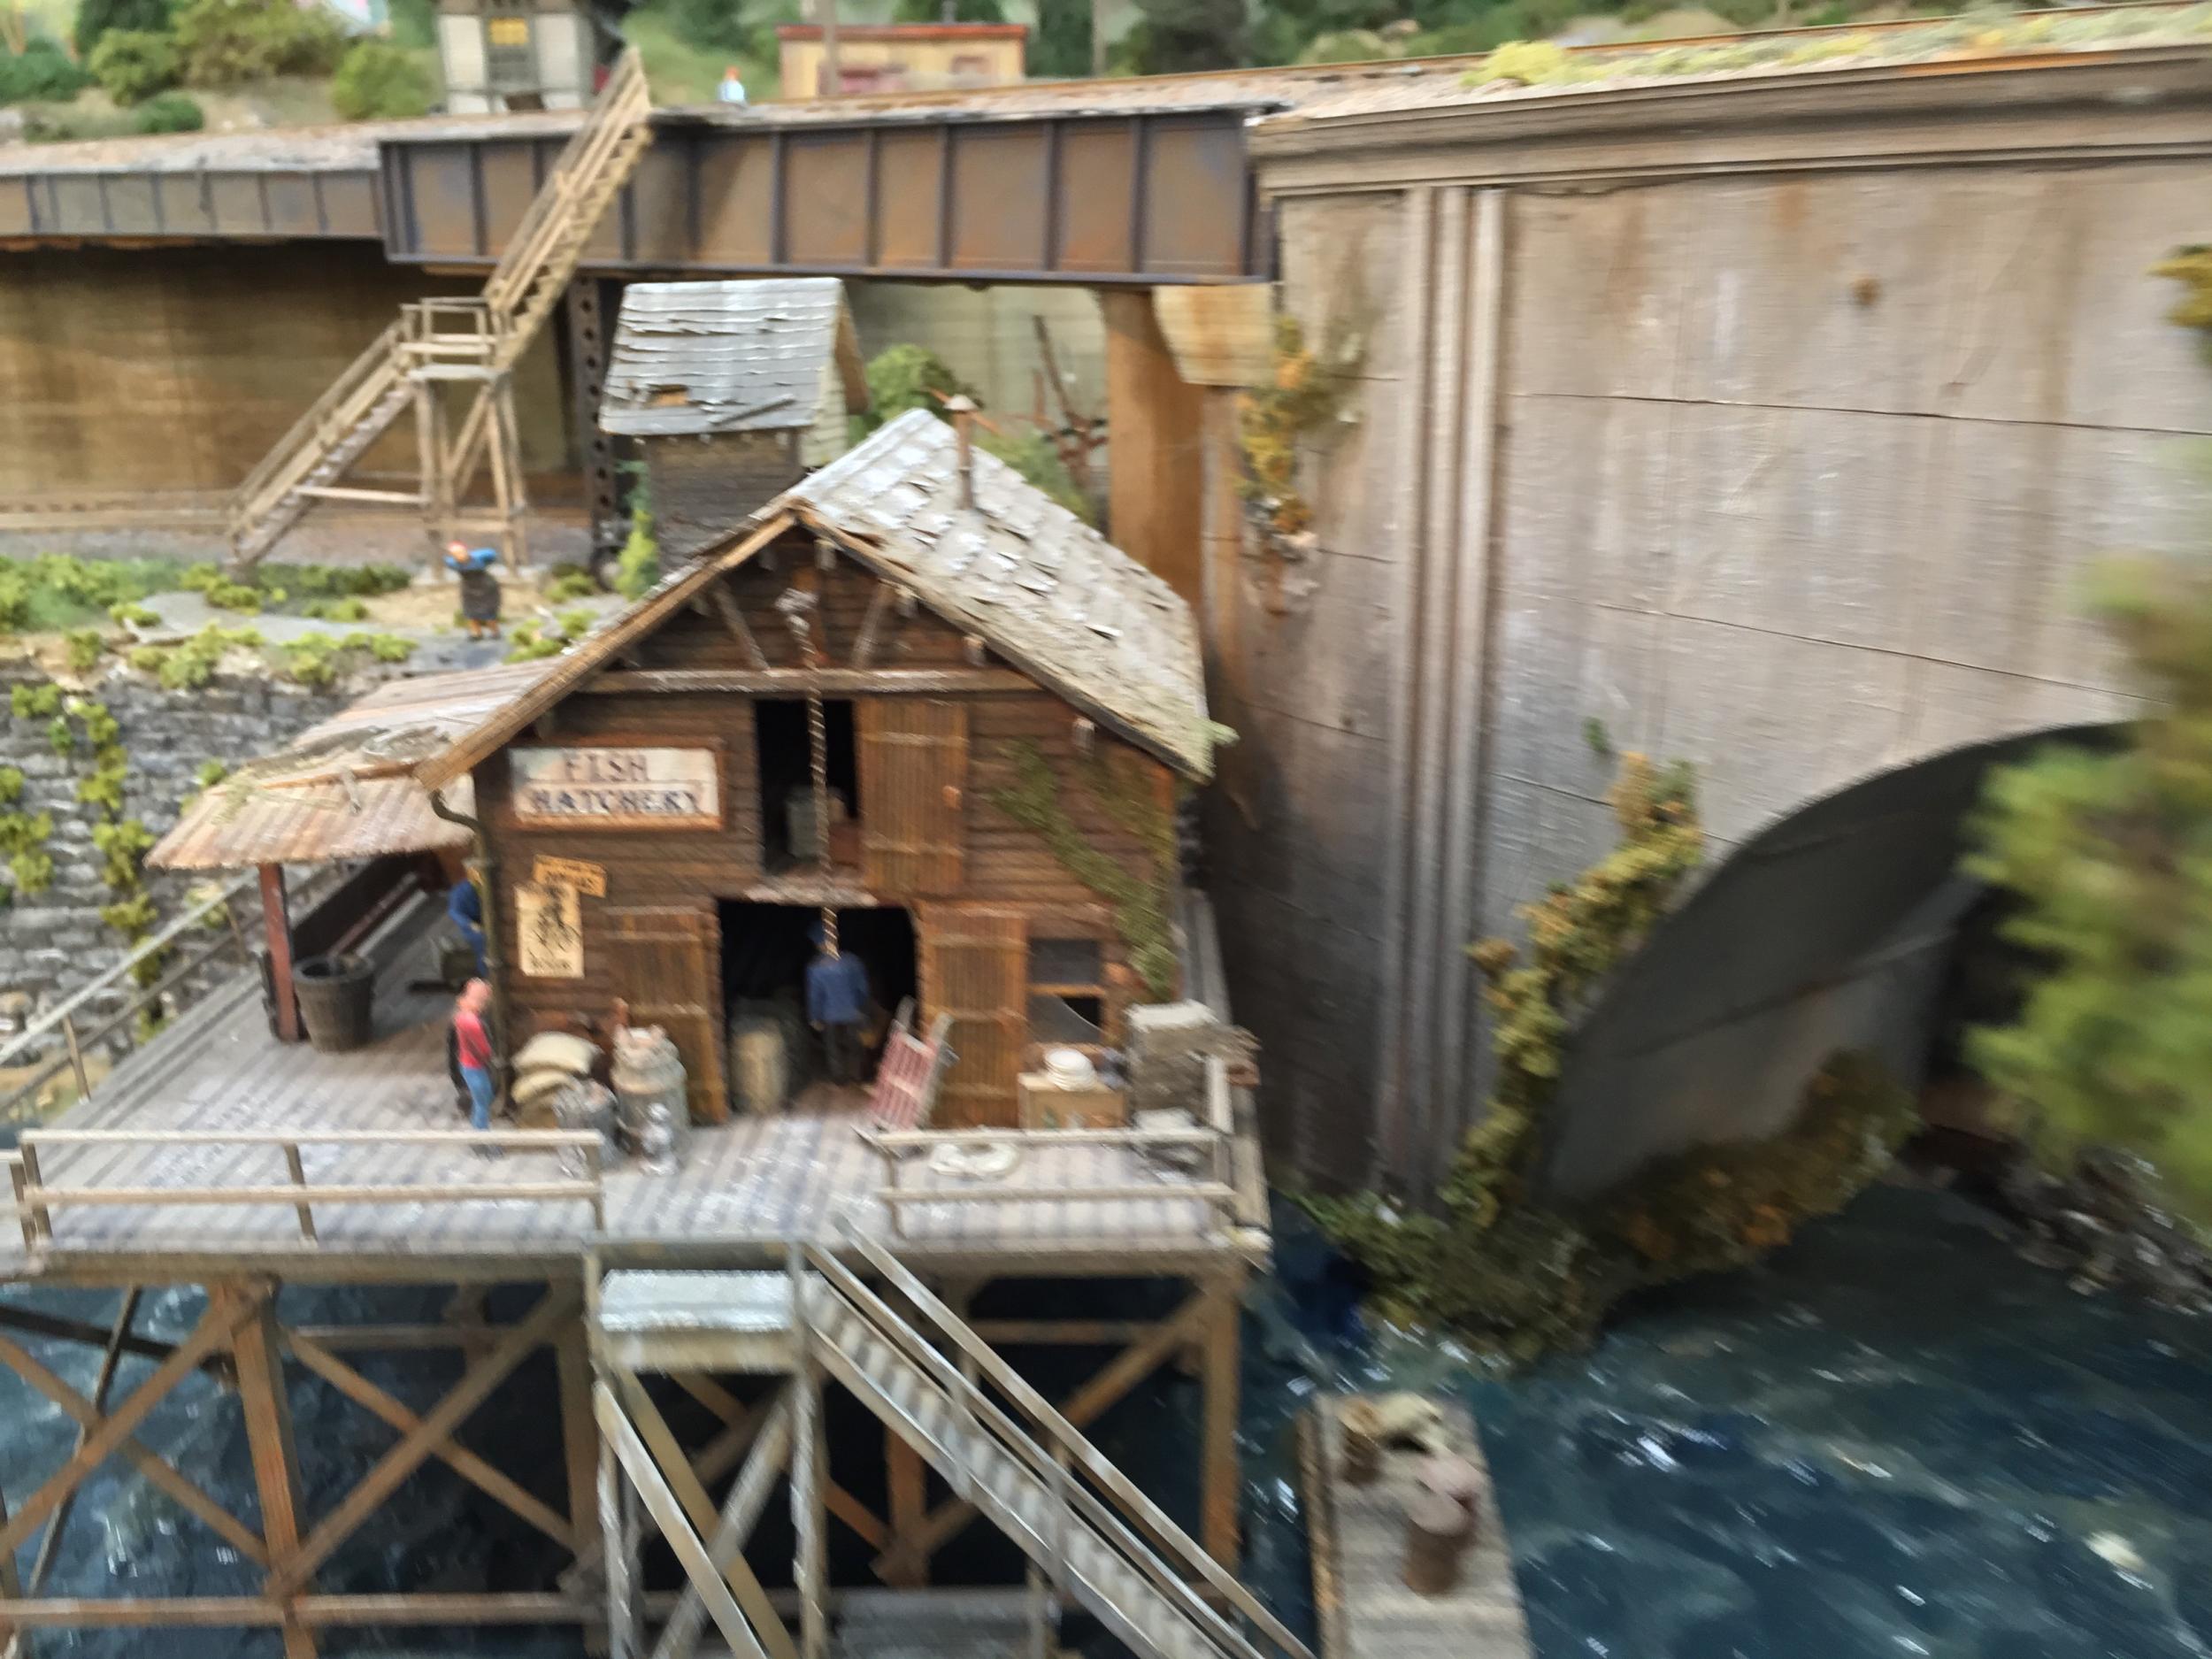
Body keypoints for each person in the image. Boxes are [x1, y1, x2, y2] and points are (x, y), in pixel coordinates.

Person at [804, 921, 870, 1086]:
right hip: (852, 1012)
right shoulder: (853, 961)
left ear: (818, 944)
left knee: (832, 1046)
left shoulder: (815, 968)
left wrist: (815, 1017)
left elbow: (815, 996)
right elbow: (862, 988)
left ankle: (839, 1078)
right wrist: (861, 1008)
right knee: (854, 1043)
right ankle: (857, 1075)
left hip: (829, 1015)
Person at [453, 979, 500, 1156]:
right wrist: (491, 1056)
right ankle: (481, 1142)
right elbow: (483, 1049)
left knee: (481, 1102)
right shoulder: (472, 1023)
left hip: (468, 1065)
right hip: (475, 1067)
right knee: (482, 1104)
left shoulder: (461, 1017)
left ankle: (479, 1136)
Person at [444, 541, 503, 641]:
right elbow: (447, 561)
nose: (459, 555)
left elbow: (492, 554)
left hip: (486, 587)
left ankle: (495, 632)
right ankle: (477, 633)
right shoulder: (453, 563)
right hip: (469, 588)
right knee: (470, 612)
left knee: (489, 611)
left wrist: (475, 554)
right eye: (456, 554)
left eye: (461, 552)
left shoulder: (478, 559)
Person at [448, 873, 487, 979]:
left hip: (482, 919)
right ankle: (487, 974)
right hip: (472, 926)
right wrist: (471, 924)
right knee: (482, 944)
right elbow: (454, 912)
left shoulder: (483, 887)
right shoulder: (462, 891)